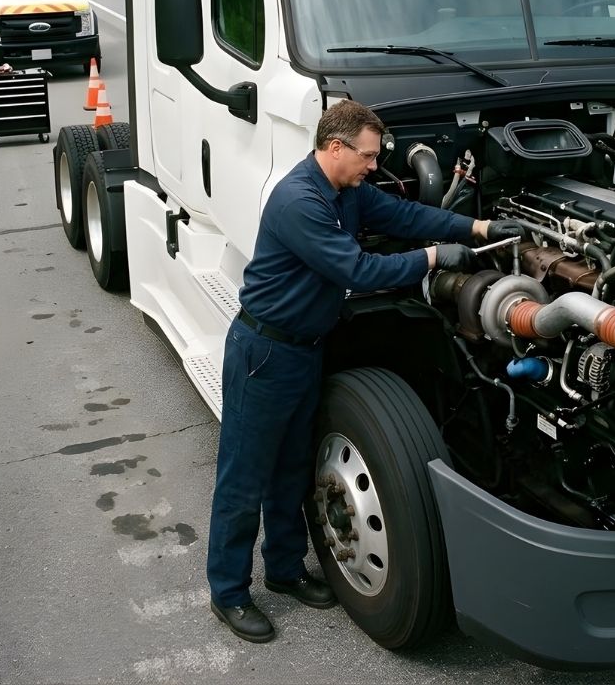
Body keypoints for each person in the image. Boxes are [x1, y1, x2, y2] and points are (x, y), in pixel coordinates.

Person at [206, 100, 521, 643]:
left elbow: (405, 216)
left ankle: (283, 570)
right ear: (336, 148)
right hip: (265, 353)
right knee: (245, 474)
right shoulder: (298, 202)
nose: (373, 166)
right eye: (368, 156)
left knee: (292, 467)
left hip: (305, 348)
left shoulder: (347, 192)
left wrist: (477, 225)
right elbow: (356, 269)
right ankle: (228, 592)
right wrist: (430, 259)